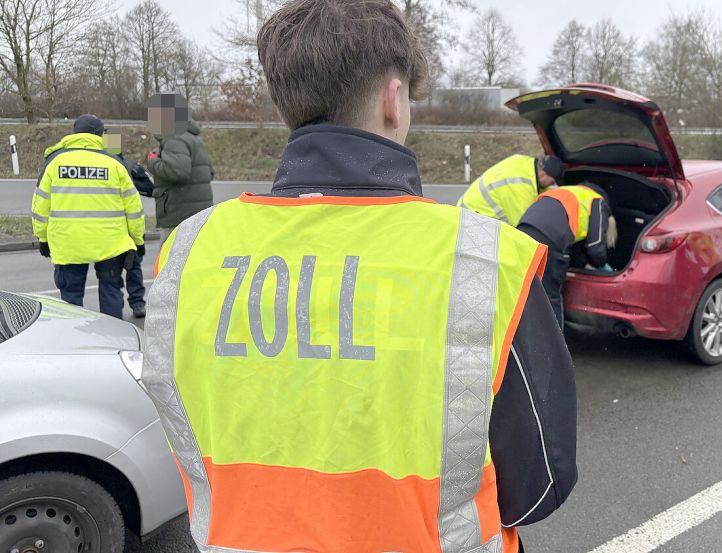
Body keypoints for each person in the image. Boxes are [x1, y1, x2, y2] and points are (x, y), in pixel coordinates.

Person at [142, 1, 577, 552]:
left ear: (289, 106)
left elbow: (183, 432)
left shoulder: (188, 251)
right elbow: (539, 489)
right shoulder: (482, 260)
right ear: (394, 100)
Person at [31, 115, 145, 319]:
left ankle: (75, 344)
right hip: (109, 244)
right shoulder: (114, 162)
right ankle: (113, 341)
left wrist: (42, 238)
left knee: (70, 299)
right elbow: (133, 207)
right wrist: (137, 240)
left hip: (68, 242)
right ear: (99, 134)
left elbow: (40, 205)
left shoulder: (55, 161)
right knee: (111, 291)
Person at [517, 183, 617, 327]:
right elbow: (595, 248)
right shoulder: (598, 201)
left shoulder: (565, 192)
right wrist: (601, 264)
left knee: (526, 291)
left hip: (523, 231)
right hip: (551, 238)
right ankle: (554, 346)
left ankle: (522, 340)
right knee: (550, 296)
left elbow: (572, 244)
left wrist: (582, 263)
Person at [145, 92, 214, 243]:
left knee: (170, 264)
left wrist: (153, 161)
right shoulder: (194, 137)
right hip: (197, 215)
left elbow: (178, 171)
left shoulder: (173, 136)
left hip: (178, 217)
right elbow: (209, 172)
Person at [105, 128, 154, 318]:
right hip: (129, 226)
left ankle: (119, 306)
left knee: (112, 271)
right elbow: (151, 189)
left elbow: (150, 189)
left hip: (110, 228)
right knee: (133, 267)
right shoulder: (130, 166)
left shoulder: (104, 167)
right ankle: (137, 303)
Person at [457, 154, 564, 225]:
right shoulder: (521, 187)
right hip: (473, 220)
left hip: (470, 211)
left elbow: (541, 190)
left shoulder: (525, 164)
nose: (551, 185)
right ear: (543, 174)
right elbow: (524, 225)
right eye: (552, 181)